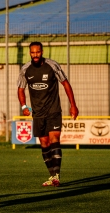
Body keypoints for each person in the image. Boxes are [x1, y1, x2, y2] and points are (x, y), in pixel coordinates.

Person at [17, 41, 79, 187]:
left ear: (42, 51)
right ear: (30, 53)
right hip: (38, 113)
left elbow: (65, 84)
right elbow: (20, 89)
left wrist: (73, 105)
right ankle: (52, 176)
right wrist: (24, 106)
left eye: (38, 52)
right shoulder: (25, 69)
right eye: (33, 53)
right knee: (44, 143)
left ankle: (57, 175)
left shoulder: (52, 65)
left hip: (53, 110)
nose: (35, 55)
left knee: (54, 138)